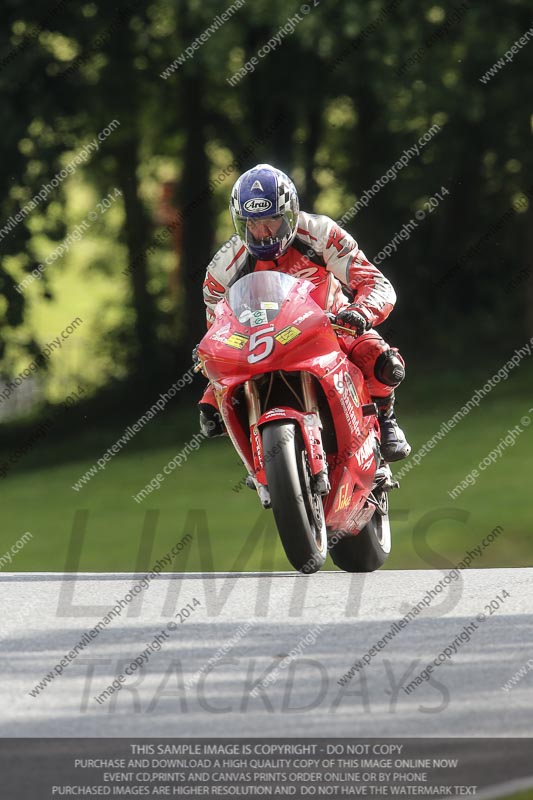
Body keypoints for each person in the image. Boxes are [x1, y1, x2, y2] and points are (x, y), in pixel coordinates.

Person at [196, 164, 411, 462]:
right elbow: (216, 326)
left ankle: (385, 420)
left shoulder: (321, 233)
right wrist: (211, 361)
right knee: (211, 411)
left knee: (383, 362)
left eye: (272, 220)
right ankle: (259, 463)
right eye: (252, 223)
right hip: (260, 342)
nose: (263, 233)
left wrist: (361, 311)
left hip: (330, 325)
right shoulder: (223, 267)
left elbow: (375, 282)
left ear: (291, 214)